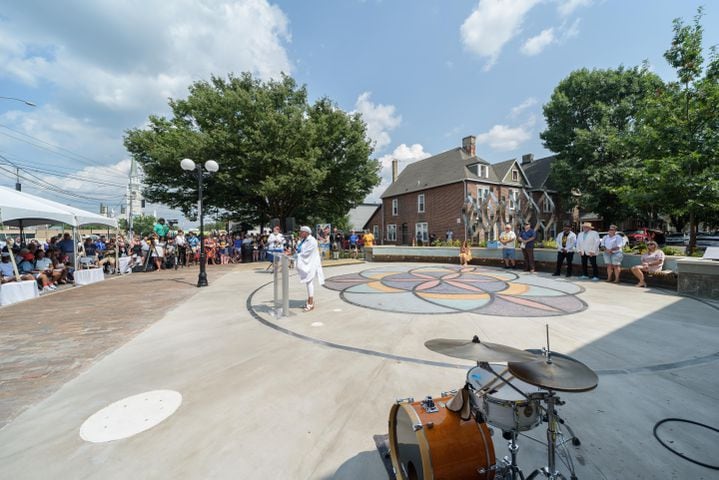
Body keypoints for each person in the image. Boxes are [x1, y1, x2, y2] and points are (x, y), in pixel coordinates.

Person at [296, 226, 325, 312]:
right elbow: (300, 250)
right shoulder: (304, 240)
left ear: (306, 232)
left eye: (301, 232)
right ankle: (309, 301)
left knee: (309, 282)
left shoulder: (312, 241)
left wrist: (295, 255)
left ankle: (311, 303)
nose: (300, 233)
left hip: (311, 264)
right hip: (308, 263)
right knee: (308, 282)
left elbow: (306, 253)